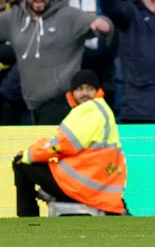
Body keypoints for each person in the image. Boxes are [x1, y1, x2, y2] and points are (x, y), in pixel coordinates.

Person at [13, 70, 127, 217]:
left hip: (80, 185)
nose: (85, 93)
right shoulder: (101, 109)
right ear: (72, 92)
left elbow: (62, 146)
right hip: (94, 183)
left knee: (20, 163)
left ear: (97, 91)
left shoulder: (90, 111)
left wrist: (29, 154)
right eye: (80, 89)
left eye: (90, 88)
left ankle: (28, 219)